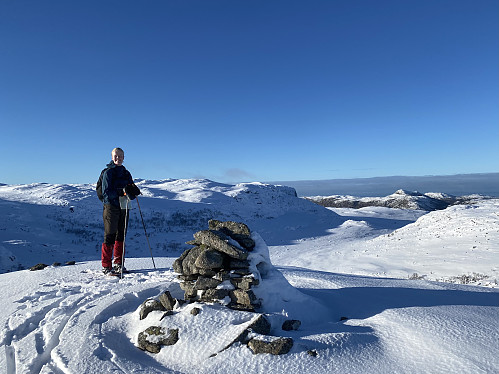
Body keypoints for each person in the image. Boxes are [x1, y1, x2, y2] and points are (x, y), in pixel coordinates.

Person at [98, 147, 140, 275]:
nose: (118, 158)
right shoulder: (108, 173)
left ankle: (118, 264)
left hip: (124, 205)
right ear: (112, 157)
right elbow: (106, 193)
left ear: (123, 157)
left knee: (121, 235)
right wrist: (121, 192)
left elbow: (130, 189)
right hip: (111, 206)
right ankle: (106, 266)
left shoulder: (126, 173)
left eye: (120, 156)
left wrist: (134, 192)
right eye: (116, 156)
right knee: (110, 235)